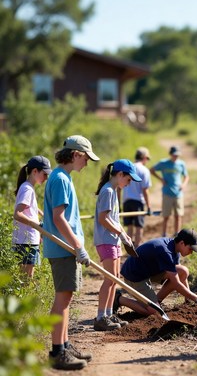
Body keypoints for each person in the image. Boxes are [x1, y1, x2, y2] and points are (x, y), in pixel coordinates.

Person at [43, 135, 99, 370]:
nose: (86, 163)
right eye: (86, 158)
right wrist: (77, 245)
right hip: (64, 248)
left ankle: (64, 344)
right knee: (63, 299)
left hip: (66, 248)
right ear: (75, 155)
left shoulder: (62, 176)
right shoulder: (60, 180)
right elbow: (59, 218)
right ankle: (58, 352)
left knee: (67, 298)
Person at [93, 159, 142, 332]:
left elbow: (113, 219)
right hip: (106, 240)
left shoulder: (113, 191)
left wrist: (123, 233)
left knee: (115, 278)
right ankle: (100, 317)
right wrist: (120, 233)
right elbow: (103, 219)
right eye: (128, 180)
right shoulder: (107, 191)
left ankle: (108, 314)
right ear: (120, 174)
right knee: (109, 279)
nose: (129, 184)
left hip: (113, 239)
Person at [114, 229, 197, 316]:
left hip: (149, 271)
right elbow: (176, 283)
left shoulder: (175, 248)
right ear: (182, 243)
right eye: (190, 249)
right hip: (135, 276)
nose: (191, 252)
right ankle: (118, 299)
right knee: (155, 313)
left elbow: (178, 274)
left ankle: (155, 302)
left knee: (183, 271)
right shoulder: (165, 251)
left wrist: (188, 300)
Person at [12, 156, 52, 278]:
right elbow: (18, 214)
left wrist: (42, 214)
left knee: (28, 278)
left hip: (28, 240)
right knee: (26, 279)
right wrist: (37, 225)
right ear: (35, 171)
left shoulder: (27, 187)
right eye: (44, 174)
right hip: (26, 242)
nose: (46, 178)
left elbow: (29, 208)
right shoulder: (27, 189)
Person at [150, 146, 189, 236]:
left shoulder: (181, 164)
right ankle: (164, 234)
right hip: (167, 193)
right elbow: (152, 170)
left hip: (178, 193)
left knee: (178, 215)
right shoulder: (163, 163)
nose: (176, 157)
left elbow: (186, 176)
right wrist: (161, 179)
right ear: (171, 154)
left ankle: (177, 234)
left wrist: (184, 184)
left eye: (177, 155)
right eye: (174, 155)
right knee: (166, 216)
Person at [122, 147, 152, 246]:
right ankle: (137, 249)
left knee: (129, 227)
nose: (147, 161)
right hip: (138, 201)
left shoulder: (129, 167)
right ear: (144, 157)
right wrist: (149, 206)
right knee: (139, 227)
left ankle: (129, 249)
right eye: (147, 159)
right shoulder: (144, 170)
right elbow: (145, 190)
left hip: (126, 200)